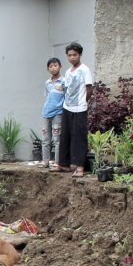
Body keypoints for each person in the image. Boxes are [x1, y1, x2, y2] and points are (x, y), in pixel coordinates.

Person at [54, 42, 93, 177]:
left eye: (75, 55)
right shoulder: (68, 72)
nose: (72, 58)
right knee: (65, 135)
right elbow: (67, 88)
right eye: (69, 55)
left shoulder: (84, 69)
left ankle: (80, 167)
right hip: (67, 107)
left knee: (79, 137)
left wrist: (84, 102)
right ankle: (63, 164)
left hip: (80, 109)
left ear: (80, 55)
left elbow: (89, 89)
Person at [40, 57, 65, 169]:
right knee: (45, 139)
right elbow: (48, 97)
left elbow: (66, 97)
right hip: (46, 113)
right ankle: (45, 161)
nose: (53, 68)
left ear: (60, 66)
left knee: (57, 139)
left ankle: (57, 163)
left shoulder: (64, 81)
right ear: (48, 69)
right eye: (50, 66)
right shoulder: (47, 83)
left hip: (58, 114)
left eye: (55, 66)